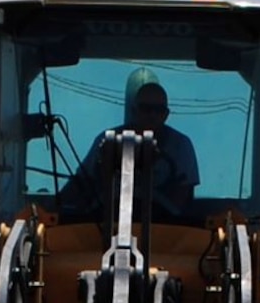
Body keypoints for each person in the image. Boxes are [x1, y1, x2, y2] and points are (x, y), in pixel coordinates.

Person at [57, 68, 200, 223]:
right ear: (134, 110)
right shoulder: (106, 141)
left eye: (159, 110)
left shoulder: (181, 146)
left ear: (166, 114)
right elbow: (79, 186)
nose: (152, 115)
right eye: (146, 109)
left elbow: (183, 197)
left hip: (164, 231)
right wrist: (55, 210)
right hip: (103, 225)